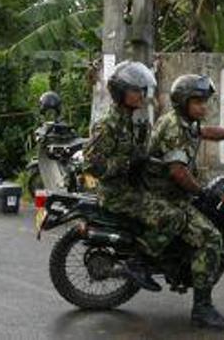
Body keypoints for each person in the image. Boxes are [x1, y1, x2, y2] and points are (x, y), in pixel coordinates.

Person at [146, 74, 224, 330]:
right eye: (198, 101)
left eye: (204, 101)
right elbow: (177, 172)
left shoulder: (185, 121)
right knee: (210, 238)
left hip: (173, 191)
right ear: (184, 101)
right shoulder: (175, 126)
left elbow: (208, 132)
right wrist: (202, 192)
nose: (203, 107)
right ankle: (202, 309)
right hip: (165, 196)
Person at [82, 60, 163, 292]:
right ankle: (138, 263)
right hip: (116, 194)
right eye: (135, 90)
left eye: (141, 89)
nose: (141, 94)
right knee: (172, 216)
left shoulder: (133, 121)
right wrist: (126, 163)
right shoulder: (108, 126)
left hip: (132, 187)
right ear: (121, 92)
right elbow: (91, 165)